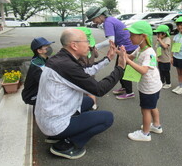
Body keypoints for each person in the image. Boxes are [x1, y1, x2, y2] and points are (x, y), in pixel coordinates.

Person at [35, 28, 126, 159]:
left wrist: (107, 59)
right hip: (54, 124)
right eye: (86, 41)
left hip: (47, 117)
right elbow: (99, 89)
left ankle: (59, 135)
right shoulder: (66, 65)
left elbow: (84, 71)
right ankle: (67, 144)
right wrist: (120, 68)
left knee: (89, 101)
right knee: (107, 118)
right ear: (74, 45)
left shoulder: (61, 59)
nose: (89, 45)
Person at [85, 6, 138, 100]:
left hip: (128, 48)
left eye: (93, 19)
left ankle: (130, 92)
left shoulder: (108, 22)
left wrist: (95, 47)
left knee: (122, 69)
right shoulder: (110, 20)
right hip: (126, 47)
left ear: (100, 16)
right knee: (119, 68)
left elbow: (110, 41)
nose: (93, 22)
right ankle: (125, 88)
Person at [123, 21, 163, 141]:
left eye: (132, 35)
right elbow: (130, 56)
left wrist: (129, 61)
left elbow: (143, 70)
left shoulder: (149, 53)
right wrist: (122, 54)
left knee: (145, 109)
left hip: (149, 87)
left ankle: (145, 134)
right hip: (151, 85)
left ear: (143, 36)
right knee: (152, 106)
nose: (130, 38)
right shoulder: (140, 49)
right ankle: (156, 126)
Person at [21, 37, 54, 106]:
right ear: (39, 51)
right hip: (31, 96)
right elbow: (47, 83)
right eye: (46, 47)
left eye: (49, 46)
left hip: (39, 90)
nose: (49, 48)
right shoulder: (38, 65)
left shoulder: (43, 59)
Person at [76, 27, 99, 110]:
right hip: (91, 70)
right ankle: (93, 104)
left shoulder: (79, 49)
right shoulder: (92, 47)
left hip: (82, 70)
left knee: (86, 89)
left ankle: (92, 104)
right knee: (90, 87)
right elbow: (96, 55)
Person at [153, 25, 172, 89]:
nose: (157, 35)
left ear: (164, 34)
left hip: (166, 59)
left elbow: (165, 46)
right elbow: (157, 49)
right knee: (161, 71)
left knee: (166, 72)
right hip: (160, 59)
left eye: (159, 33)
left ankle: (168, 83)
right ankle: (162, 81)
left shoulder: (167, 39)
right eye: (157, 33)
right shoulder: (159, 40)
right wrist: (156, 57)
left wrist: (160, 41)